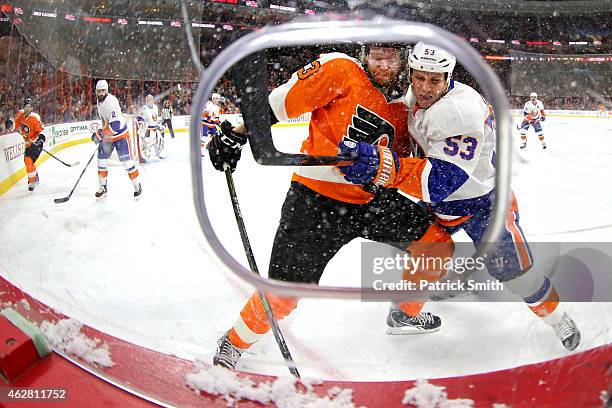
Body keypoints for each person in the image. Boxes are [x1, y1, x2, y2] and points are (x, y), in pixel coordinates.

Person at [207, 43, 454, 370]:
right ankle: (235, 341)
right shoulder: (340, 69)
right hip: (315, 201)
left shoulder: (408, 103)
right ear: (365, 53)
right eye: (376, 56)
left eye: (390, 57)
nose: (381, 64)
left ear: (403, 59)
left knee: (436, 246)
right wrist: (237, 134)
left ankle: (404, 314)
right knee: (284, 293)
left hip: (371, 200)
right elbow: (280, 105)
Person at [338, 42, 581, 351]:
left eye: (434, 80)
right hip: (440, 203)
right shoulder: (415, 94)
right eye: (419, 77)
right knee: (426, 252)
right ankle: (405, 315)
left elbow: (441, 181)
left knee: (517, 275)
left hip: (484, 203)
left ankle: (558, 318)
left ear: (448, 76)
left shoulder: (459, 111)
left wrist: (380, 166)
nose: (425, 87)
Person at [92, 80, 142, 199]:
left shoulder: (111, 102)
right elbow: (106, 121)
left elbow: (115, 126)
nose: (101, 93)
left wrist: (100, 133)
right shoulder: (100, 101)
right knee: (101, 160)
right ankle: (103, 187)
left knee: (127, 162)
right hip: (109, 136)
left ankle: (137, 185)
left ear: (107, 90)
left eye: (103, 90)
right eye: (99, 91)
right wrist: (101, 133)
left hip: (121, 135)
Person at [12, 98, 45, 192]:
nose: (28, 108)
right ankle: (35, 177)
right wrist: (10, 124)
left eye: (30, 106)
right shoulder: (21, 116)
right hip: (28, 144)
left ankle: (32, 181)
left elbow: (42, 130)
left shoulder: (34, 117)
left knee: (28, 161)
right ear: (24, 107)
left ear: (32, 108)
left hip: (37, 143)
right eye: (26, 106)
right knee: (28, 162)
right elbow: (14, 125)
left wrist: (41, 139)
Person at [139, 93, 166, 159]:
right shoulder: (144, 108)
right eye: (148, 99)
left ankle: (159, 154)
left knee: (158, 142)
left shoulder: (155, 107)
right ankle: (146, 155)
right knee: (146, 143)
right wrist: (141, 124)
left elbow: (156, 118)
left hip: (155, 128)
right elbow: (140, 118)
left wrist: (159, 123)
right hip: (147, 128)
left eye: (151, 99)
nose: (149, 101)